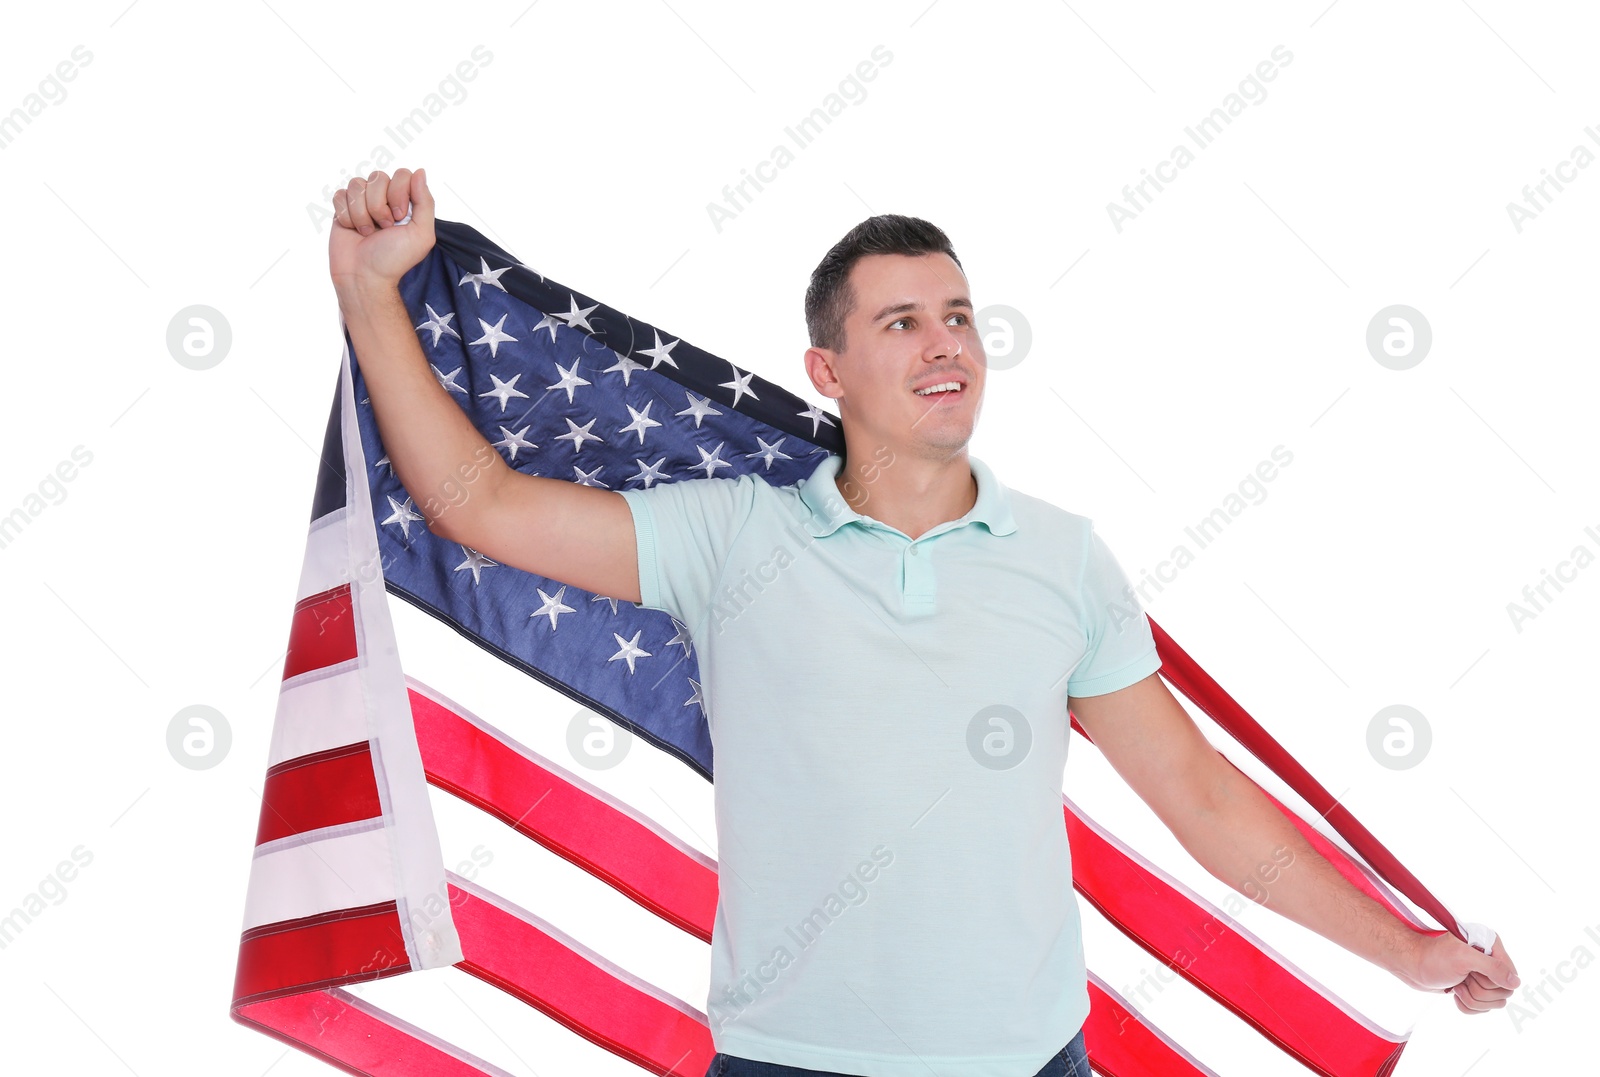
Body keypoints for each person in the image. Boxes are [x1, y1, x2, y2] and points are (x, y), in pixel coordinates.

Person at [329, 167, 1520, 1077]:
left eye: (956, 315)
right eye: (900, 322)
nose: (944, 340)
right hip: (792, 1061)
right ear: (828, 370)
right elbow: (472, 505)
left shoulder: (1061, 558)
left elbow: (1203, 804)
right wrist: (372, 292)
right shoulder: (728, 536)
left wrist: (1404, 952)